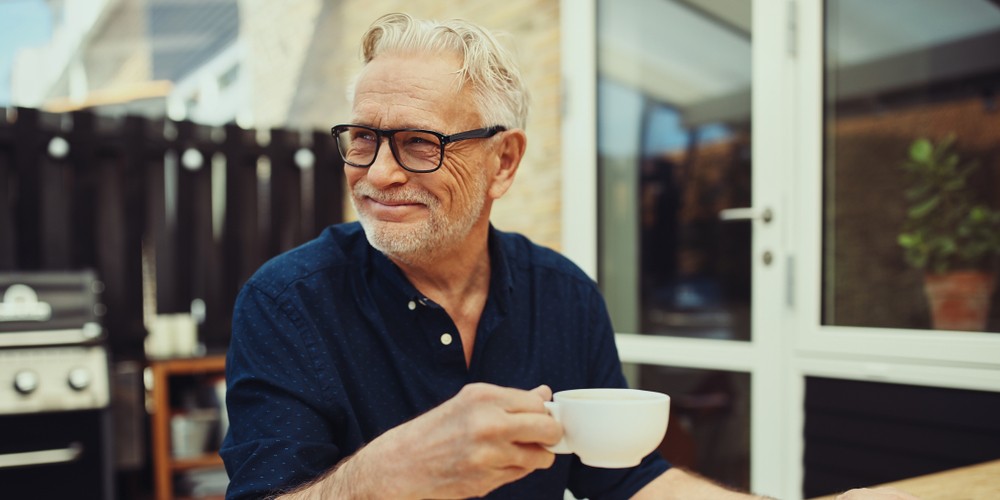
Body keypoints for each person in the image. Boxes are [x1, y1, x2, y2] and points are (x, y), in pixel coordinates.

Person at [220, 12, 917, 500]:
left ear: (504, 161)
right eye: (363, 138)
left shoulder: (562, 294)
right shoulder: (287, 302)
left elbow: (626, 481)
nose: (376, 174)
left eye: (420, 143)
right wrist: (387, 477)